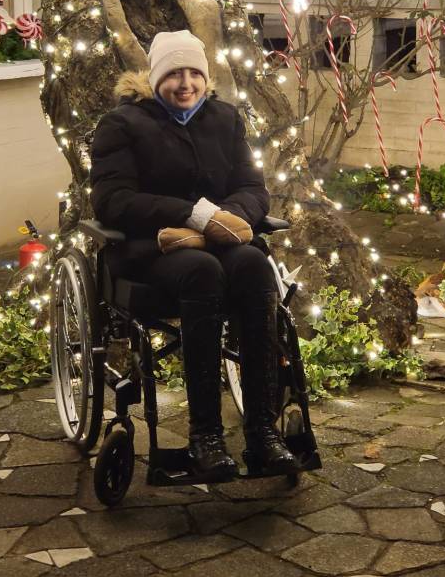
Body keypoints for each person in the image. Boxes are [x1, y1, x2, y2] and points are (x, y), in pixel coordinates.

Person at [89, 29, 299, 482]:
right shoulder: (123, 125)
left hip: (220, 243)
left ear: (205, 78)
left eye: (194, 74)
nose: (185, 83)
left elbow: (251, 187)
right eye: (174, 74)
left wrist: (232, 219)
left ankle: (262, 431)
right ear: (155, 77)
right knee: (202, 272)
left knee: (254, 265)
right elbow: (113, 201)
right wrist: (195, 215)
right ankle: (206, 437)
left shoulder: (224, 119)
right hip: (150, 249)